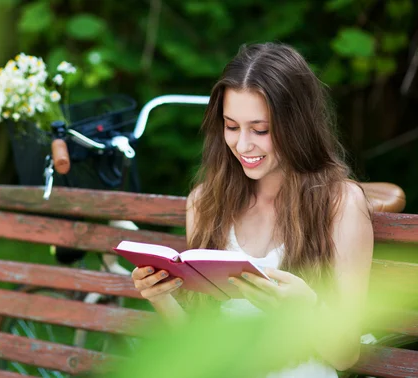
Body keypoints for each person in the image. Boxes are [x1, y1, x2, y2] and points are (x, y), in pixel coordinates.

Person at [130, 42, 373, 377]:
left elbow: (346, 355)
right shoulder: (206, 203)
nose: (243, 145)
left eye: (260, 129)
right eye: (231, 126)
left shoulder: (340, 204)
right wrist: (160, 297)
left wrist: (306, 307)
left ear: (296, 126)